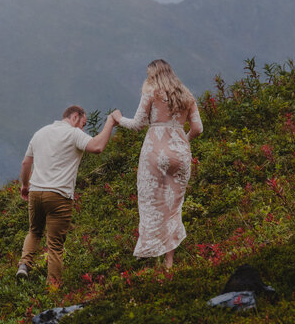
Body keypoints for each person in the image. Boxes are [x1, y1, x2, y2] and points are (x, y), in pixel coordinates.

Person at [111, 59, 203, 269]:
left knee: (151, 202)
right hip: (180, 154)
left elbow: (137, 124)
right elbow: (198, 128)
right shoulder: (187, 96)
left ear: (154, 75)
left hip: (155, 152)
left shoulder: (152, 91)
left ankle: (150, 251)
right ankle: (169, 261)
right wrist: (182, 141)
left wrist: (118, 118)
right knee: (173, 207)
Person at [16, 105, 117, 285]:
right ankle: (53, 290)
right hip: (59, 195)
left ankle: (24, 265)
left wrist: (25, 185)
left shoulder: (40, 133)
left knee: (34, 231)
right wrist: (110, 122)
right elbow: (98, 147)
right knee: (55, 244)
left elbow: (26, 163)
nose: (83, 129)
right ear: (75, 117)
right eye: (83, 124)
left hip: (36, 192)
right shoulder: (72, 133)